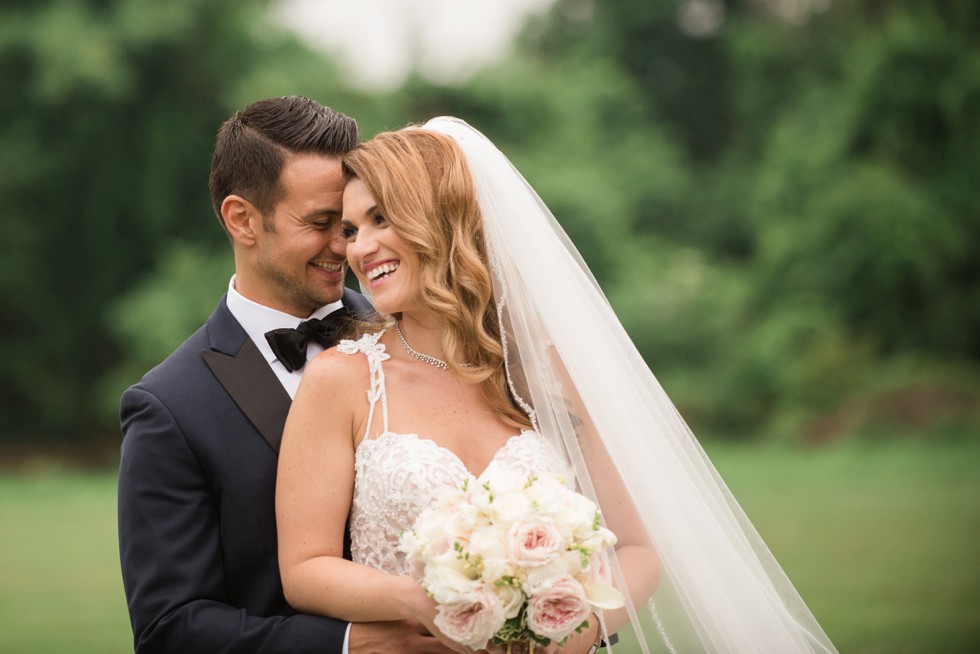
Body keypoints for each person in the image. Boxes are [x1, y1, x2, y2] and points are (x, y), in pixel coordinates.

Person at [276, 118, 839, 654]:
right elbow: (304, 568)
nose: (358, 248)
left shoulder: (546, 371)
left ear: (441, 218)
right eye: (350, 230)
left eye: (381, 219)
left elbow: (638, 550)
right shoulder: (343, 379)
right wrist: (424, 601)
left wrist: (575, 629)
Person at [117, 96, 457, 654]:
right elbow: (170, 629)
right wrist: (354, 645)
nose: (346, 246)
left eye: (350, 222)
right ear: (242, 219)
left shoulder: (423, 332)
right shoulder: (170, 407)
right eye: (321, 223)